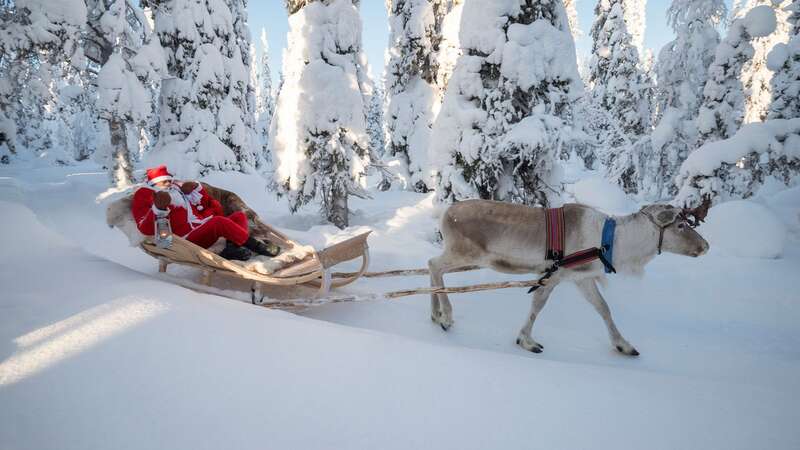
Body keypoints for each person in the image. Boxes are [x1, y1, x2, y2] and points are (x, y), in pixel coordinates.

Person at [131, 165, 278, 261]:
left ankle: (232, 249)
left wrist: (196, 189)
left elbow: (209, 208)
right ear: (153, 184)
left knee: (238, 216)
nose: (169, 184)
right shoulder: (145, 195)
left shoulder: (176, 190)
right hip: (185, 239)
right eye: (164, 182)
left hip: (203, 227)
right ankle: (257, 247)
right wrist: (159, 209)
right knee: (219, 222)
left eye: (170, 181)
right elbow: (145, 228)